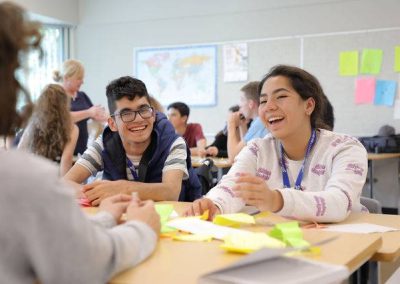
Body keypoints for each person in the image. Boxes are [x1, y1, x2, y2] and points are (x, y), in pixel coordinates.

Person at [0, 2, 160, 284]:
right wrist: (140, 228)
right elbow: (85, 262)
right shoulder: (24, 177)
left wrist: (105, 218)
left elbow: (54, 234)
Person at [185, 65, 368, 223]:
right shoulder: (257, 149)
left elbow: (339, 203)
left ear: (309, 106)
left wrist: (277, 200)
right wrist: (214, 204)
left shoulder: (345, 148)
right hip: (280, 244)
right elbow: (232, 186)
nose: (269, 106)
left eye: (280, 96)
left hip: (339, 245)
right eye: (263, 101)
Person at [64, 76, 202, 205]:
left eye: (143, 109)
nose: (138, 119)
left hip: (174, 220)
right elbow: (65, 183)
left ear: (153, 114)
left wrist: (121, 188)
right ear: (112, 124)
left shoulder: (173, 142)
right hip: (123, 219)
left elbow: (171, 192)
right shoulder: (104, 143)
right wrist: (99, 192)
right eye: (126, 113)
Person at [18, 84, 79, 176]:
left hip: (32, 172)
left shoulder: (34, 123)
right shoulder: (72, 128)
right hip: (53, 175)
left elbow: (21, 149)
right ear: (64, 104)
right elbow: (66, 160)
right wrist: (65, 185)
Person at [53, 59, 107, 155]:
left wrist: (108, 116)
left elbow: (96, 114)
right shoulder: (56, 95)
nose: (82, 82)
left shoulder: (82, 95)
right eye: (79, 78)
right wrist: (89, 112)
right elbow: (64, 118)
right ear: (66, 78)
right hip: (62, 151)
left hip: (81, 150)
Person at [227, 81, 269, 162]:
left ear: (251, 104)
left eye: (242, 100)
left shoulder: (260, 122)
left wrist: (231, 125)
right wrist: (242, 125)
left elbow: (233, 157)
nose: (240, 106)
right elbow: (246, 149)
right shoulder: (258, 121)